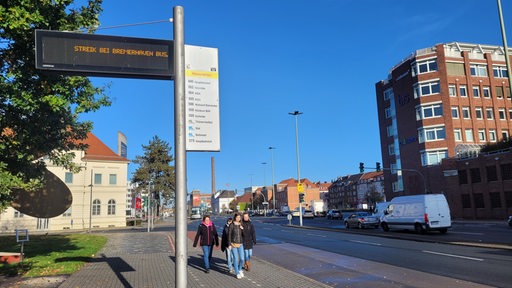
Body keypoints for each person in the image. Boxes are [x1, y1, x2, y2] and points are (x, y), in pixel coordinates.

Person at [227, 213, 245, 279]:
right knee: (236, 259)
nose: (238, 219)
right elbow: (229, 235)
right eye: (237, 217)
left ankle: (240, 269)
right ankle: (237, 273)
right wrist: (229, 244)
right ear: (235, 218)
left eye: (239, 217)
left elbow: (244, 235)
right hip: (233, 244)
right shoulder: (232, 225)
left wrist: (242, 229)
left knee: (242, 259)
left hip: (240, 244)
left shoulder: (241, 224)